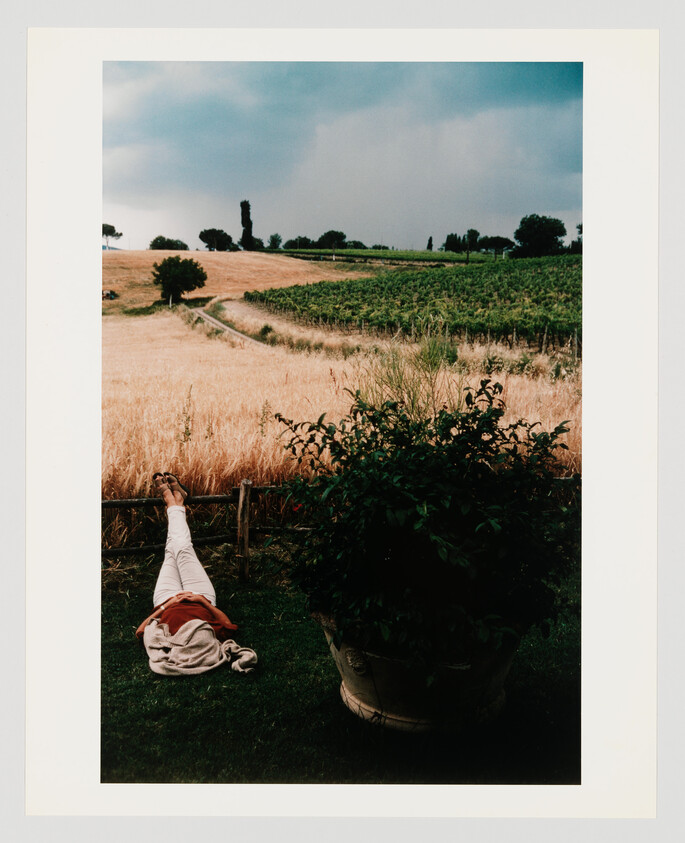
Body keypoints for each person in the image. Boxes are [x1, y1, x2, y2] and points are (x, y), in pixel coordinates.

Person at [136, 472, 257, 676]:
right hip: (200, 595)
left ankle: (176, 500)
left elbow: (141, 631)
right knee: (183, 548)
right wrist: (201, 601)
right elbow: (227, 625)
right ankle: (173, 500)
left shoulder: (168, 643)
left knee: (171, 550)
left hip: (166, 598)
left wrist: (168, 604)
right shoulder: (207, 635)